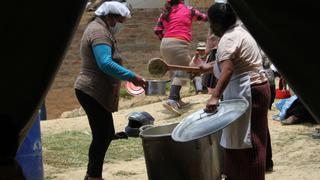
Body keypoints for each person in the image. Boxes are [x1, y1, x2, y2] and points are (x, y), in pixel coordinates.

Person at [74, 2, 146, 179]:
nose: (120, 25)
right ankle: (93, 176)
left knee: (105, 133)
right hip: (91, 89)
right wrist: (132, 76)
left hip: (93, 89)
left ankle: (92, 175)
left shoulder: (99, 28)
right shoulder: (99, 32)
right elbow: (105, 62)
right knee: (102, 135)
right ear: (109, 17)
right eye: (119, 21)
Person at [200, 2, 271, 179]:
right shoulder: (239, 31)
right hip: (256, 89)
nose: (210, 27)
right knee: (244, 142)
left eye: (210, 23)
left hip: (247, 92)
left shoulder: (228, 39)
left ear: (216, 23)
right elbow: (234, 62)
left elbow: (229, 69)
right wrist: (206, 67)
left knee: (248, 143)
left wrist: (214, 96)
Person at [153, 0, 208, 115]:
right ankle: (172, 99)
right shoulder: (189, 10)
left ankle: (177, 100)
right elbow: (204, 17)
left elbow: (157, 30)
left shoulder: (165, 13)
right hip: (178, 43)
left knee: (175, 71)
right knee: (184, 72)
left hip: (165, 44)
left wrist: (167, 39)